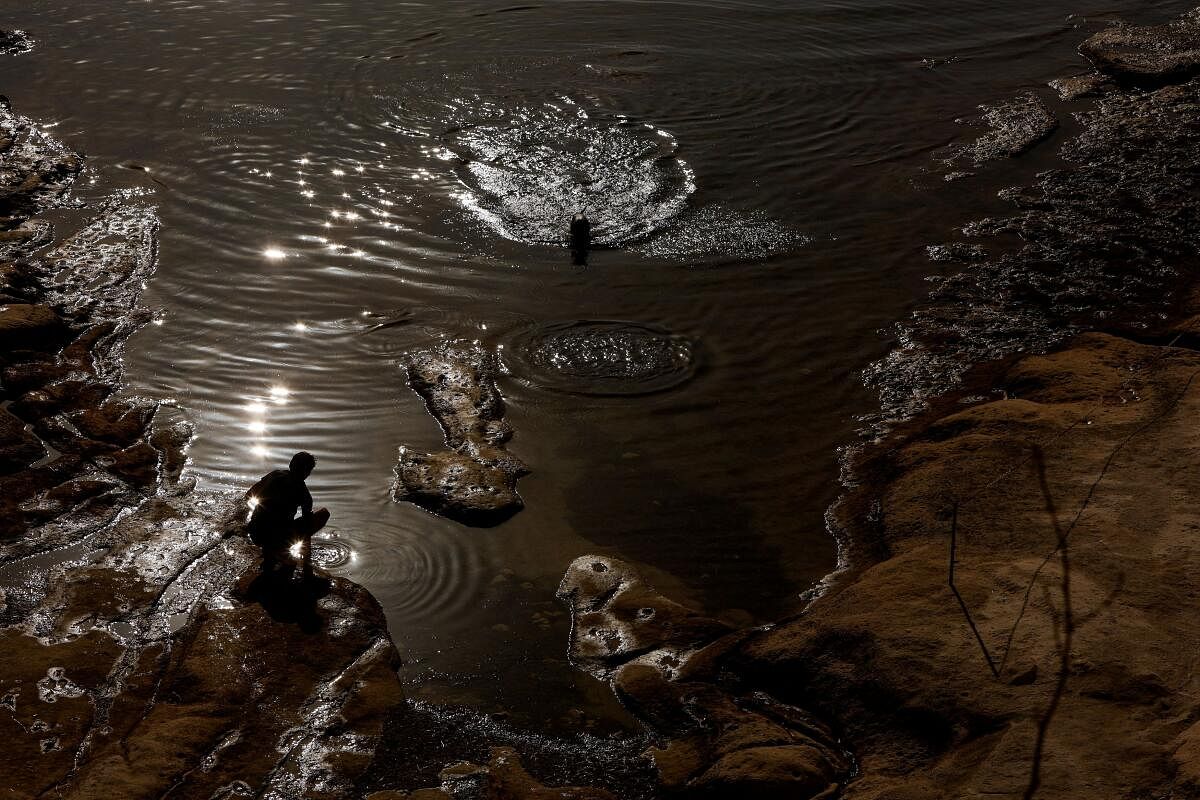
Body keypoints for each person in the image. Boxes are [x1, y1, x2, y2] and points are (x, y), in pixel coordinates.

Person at [245, 451, 329, 579]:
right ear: (307, 473)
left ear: (290, 464)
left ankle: (271, 551)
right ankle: (278, 549)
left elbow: (249, 494)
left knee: (273, 526)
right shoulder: (303, 492)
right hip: (277, 537)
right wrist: (307, 560)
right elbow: (307, 524)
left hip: (256, 534)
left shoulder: (274, 475)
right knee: (323, 514)